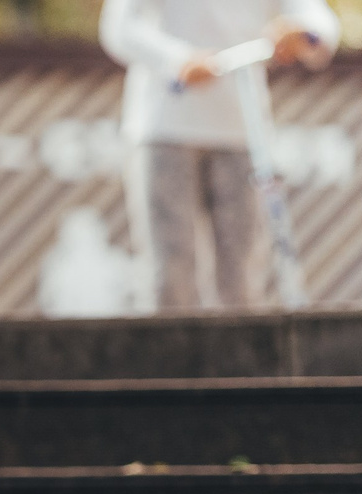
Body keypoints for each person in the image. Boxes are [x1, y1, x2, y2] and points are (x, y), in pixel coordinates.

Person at [100, 0, 337, 309]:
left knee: (242, 278)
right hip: (165, 130)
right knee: (170, 277)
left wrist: (303, 34)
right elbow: (120, 27)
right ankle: (171, 356)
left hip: (242, 134)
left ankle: (240, 357)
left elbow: (317, 21)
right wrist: (177, 59)